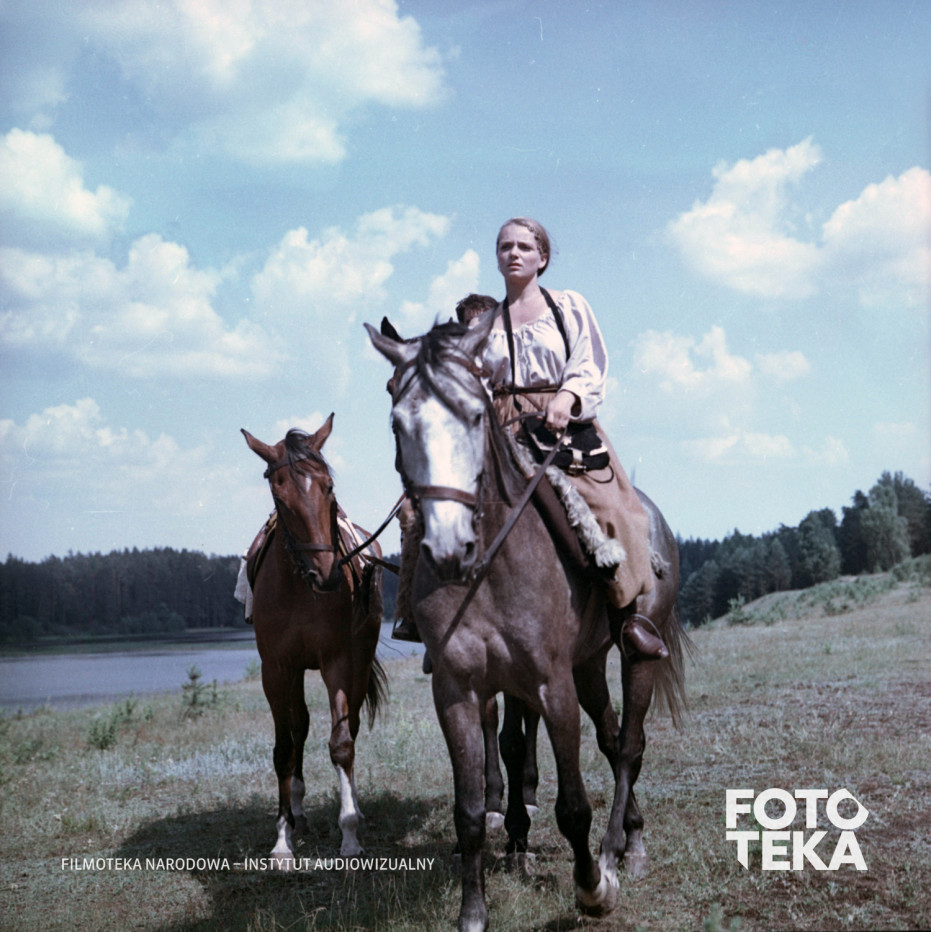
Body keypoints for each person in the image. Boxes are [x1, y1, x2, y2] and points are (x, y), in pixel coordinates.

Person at [484, 217, 667, 659]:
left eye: (524, 247)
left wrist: (567, 397)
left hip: (560, 425)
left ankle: (627, 619)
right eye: (505, 247)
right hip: (502, 428)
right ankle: (439, 624)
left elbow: (589, 361)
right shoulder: (486, 323)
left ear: (542, 258)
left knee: (614, 510)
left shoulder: (567, 306)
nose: (514, 253)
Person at [390, 293, 499, 642]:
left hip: (511, 437)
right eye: (468, 324)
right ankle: (412, 613)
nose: (474, 330)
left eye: (481, 322)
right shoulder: (452, 363)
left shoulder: (506, 349)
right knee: (411, 514)